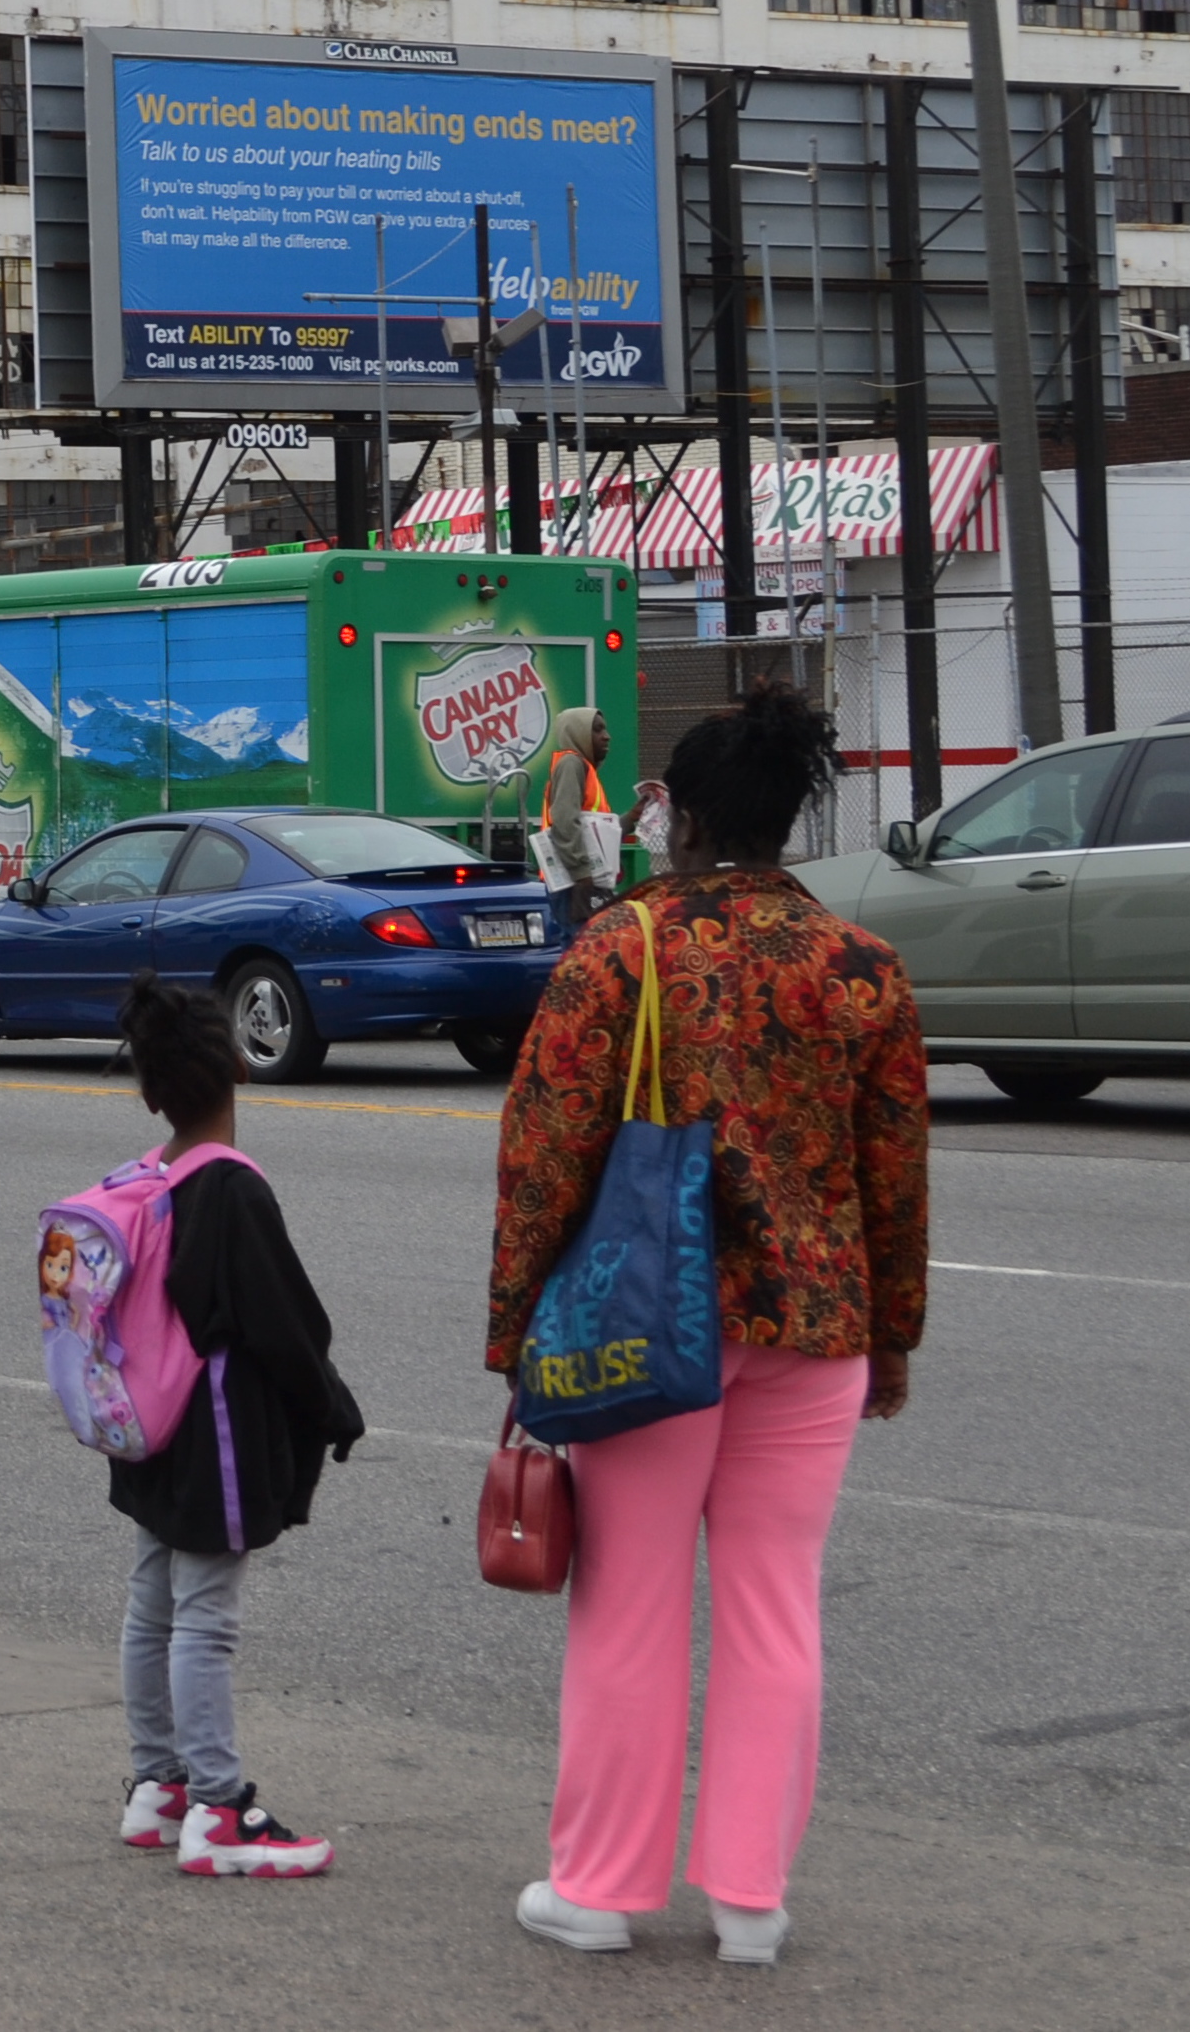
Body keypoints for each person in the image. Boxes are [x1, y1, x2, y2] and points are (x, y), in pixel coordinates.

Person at [489, 683, 924, 1968]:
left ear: (670, 813)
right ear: (789, 820)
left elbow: (544, 1148)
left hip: (643, 1325)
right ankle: (749, 1897)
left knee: (625, 1600)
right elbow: (891, 1174)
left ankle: (601, 1887)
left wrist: (517, 1327)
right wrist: (885, 1335)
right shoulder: (857, 967)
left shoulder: (619, 950)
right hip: (816, 1325)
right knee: (773, 1603)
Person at [104, 975, 362, 1878]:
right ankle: (218, 1810)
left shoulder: (151, 1178)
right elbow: (286, 1328)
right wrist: (332, 1405)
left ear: (149, 1091)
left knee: (152, 1602)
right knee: (205, 1617)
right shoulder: (231, 1191)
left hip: (150, 1424)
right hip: (211, 1432)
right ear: (239, 1069)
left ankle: (155, 1784)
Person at [534, 705, 619, 922]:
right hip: (572, 881)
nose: (606, 737)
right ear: (577, 734)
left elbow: (597, 829)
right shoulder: (571, 764)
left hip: (579, 878)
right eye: (597, 730)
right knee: (580, 947)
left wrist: (633, 816)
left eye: (605, 730)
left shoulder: (583, 768)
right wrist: (582, 873)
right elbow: (564, 821)